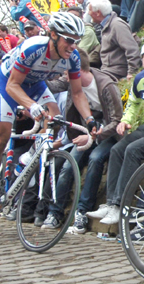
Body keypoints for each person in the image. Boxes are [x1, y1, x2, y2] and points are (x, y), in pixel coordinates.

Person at [0, 12, 95, 228]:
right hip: (8, 82)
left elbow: (77, 93)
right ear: (52, 35)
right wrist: (31, 106)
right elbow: (13, 85)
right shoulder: (34, 48)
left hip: (36, 83)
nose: (73, 46)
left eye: (77, 41)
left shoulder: (74, 57)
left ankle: (31, 160)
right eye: (69, 40)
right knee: (1, 136)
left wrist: (90, 120)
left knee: (54, 116)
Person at [87, 42, 144, 226]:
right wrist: (126, 121)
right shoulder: (140, 79)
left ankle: (120, 205)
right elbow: (133, 102)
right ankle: (110, 204)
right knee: (117, 149)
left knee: (132, 149)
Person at [46, 52, 123, 231]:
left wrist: (92, 137)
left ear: (77, 70)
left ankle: (82, 212)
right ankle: (55, 213)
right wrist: (38, 73)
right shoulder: (72, 81)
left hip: (108, 135)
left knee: (95, 159)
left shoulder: (106, 85)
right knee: (68, 166)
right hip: (85, 132)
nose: (64, 76)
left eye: (66, 72)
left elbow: (116, 120)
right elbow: (51, 86)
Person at [87, 0, 140, 82]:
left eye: (89, 10)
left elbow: (132, 49)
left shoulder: (117, 25)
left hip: (116, 72)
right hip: (108, 71)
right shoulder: (106, 25)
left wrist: (131, 73)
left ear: (98, 13)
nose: (88, 13)